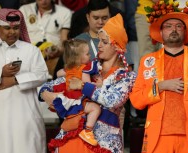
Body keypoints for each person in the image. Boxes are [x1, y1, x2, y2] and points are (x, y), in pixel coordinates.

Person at [39, 13, 136, 153]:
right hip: (71, 136)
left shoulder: (126, 76)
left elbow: (112, 100)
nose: (99, 45)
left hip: (102, 142)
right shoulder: (89, 67)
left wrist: (83, 86)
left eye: (104, 42)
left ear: (117, 46)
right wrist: (45, 93)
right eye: (99, 41)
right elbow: (61, 81)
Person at [130, 12, 188, 153]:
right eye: (168, 26)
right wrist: (160, 86)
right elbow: (136, 100)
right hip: (158, 139)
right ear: (161, 32)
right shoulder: (148, 62)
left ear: (185, 31)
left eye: (178, 26)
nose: (174, 29)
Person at [0, 9, 48, 153]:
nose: (12, 32)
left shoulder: (31, 50)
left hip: (25, 116)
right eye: (7, 28)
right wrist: (0, 73)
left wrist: (15, 80)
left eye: (16, 28)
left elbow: (42, 74)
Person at [45, 39, 101, 146]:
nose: (90, 55)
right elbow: (86, 85)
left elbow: (58, 73)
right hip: (78, 99)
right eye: (87, 53)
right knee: (96, 108)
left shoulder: (68, 68)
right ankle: (88, 131)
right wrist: (98, 84)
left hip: (67, 99)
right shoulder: (85, 69)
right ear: (79, 58)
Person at [19, 0, 72, 76]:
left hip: (53, 55)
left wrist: (59, 51)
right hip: (29, 54)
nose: (43, 1)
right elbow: (17, 35)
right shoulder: (24, 10)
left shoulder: (65, 12)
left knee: (62, 68)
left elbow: (64, 38)